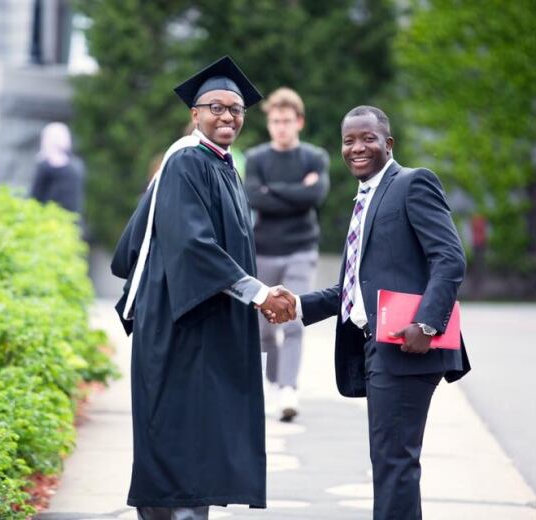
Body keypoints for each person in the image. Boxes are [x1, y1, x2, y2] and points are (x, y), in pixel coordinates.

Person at [110, 56, 295, 520]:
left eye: (236, 109)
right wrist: (258, 294)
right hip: (177, 323)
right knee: (175, 433)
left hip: (202, 321)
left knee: (197, 432)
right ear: (195, 113)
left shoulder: (224, 166)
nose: (228, 116)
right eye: (216, 107)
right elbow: (193, 245)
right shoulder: (185, 163)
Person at [266, 106, 471, 519]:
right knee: (389, 460)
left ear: (388, 143)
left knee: (395, 461)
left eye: (368, 138)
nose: (357, 147)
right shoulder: (364, 198)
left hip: (408, 344)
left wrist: (427, 324)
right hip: (376, 345)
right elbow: (353, 289)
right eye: (349, 140)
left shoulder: (413, 183)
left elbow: (450, 258)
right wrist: (298, 306)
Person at [245, 87, 329, 422]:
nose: (280, 127)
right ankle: (272, 383)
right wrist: (296, 191)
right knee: (264, 325)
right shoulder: (256, 158)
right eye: (275, 121)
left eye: (286, 121)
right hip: (263, 250)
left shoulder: (314, 157)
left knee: (293, 318)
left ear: (299, 122)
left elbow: (316, 196)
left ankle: (288, 389)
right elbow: (254, 197)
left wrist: (273, 191)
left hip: (301, 249)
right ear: (269, 123)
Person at [29, 122, 84, 215]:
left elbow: (35, 198)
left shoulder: (46, 166)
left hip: (50, 219)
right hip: (71, 220)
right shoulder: (76, 165)